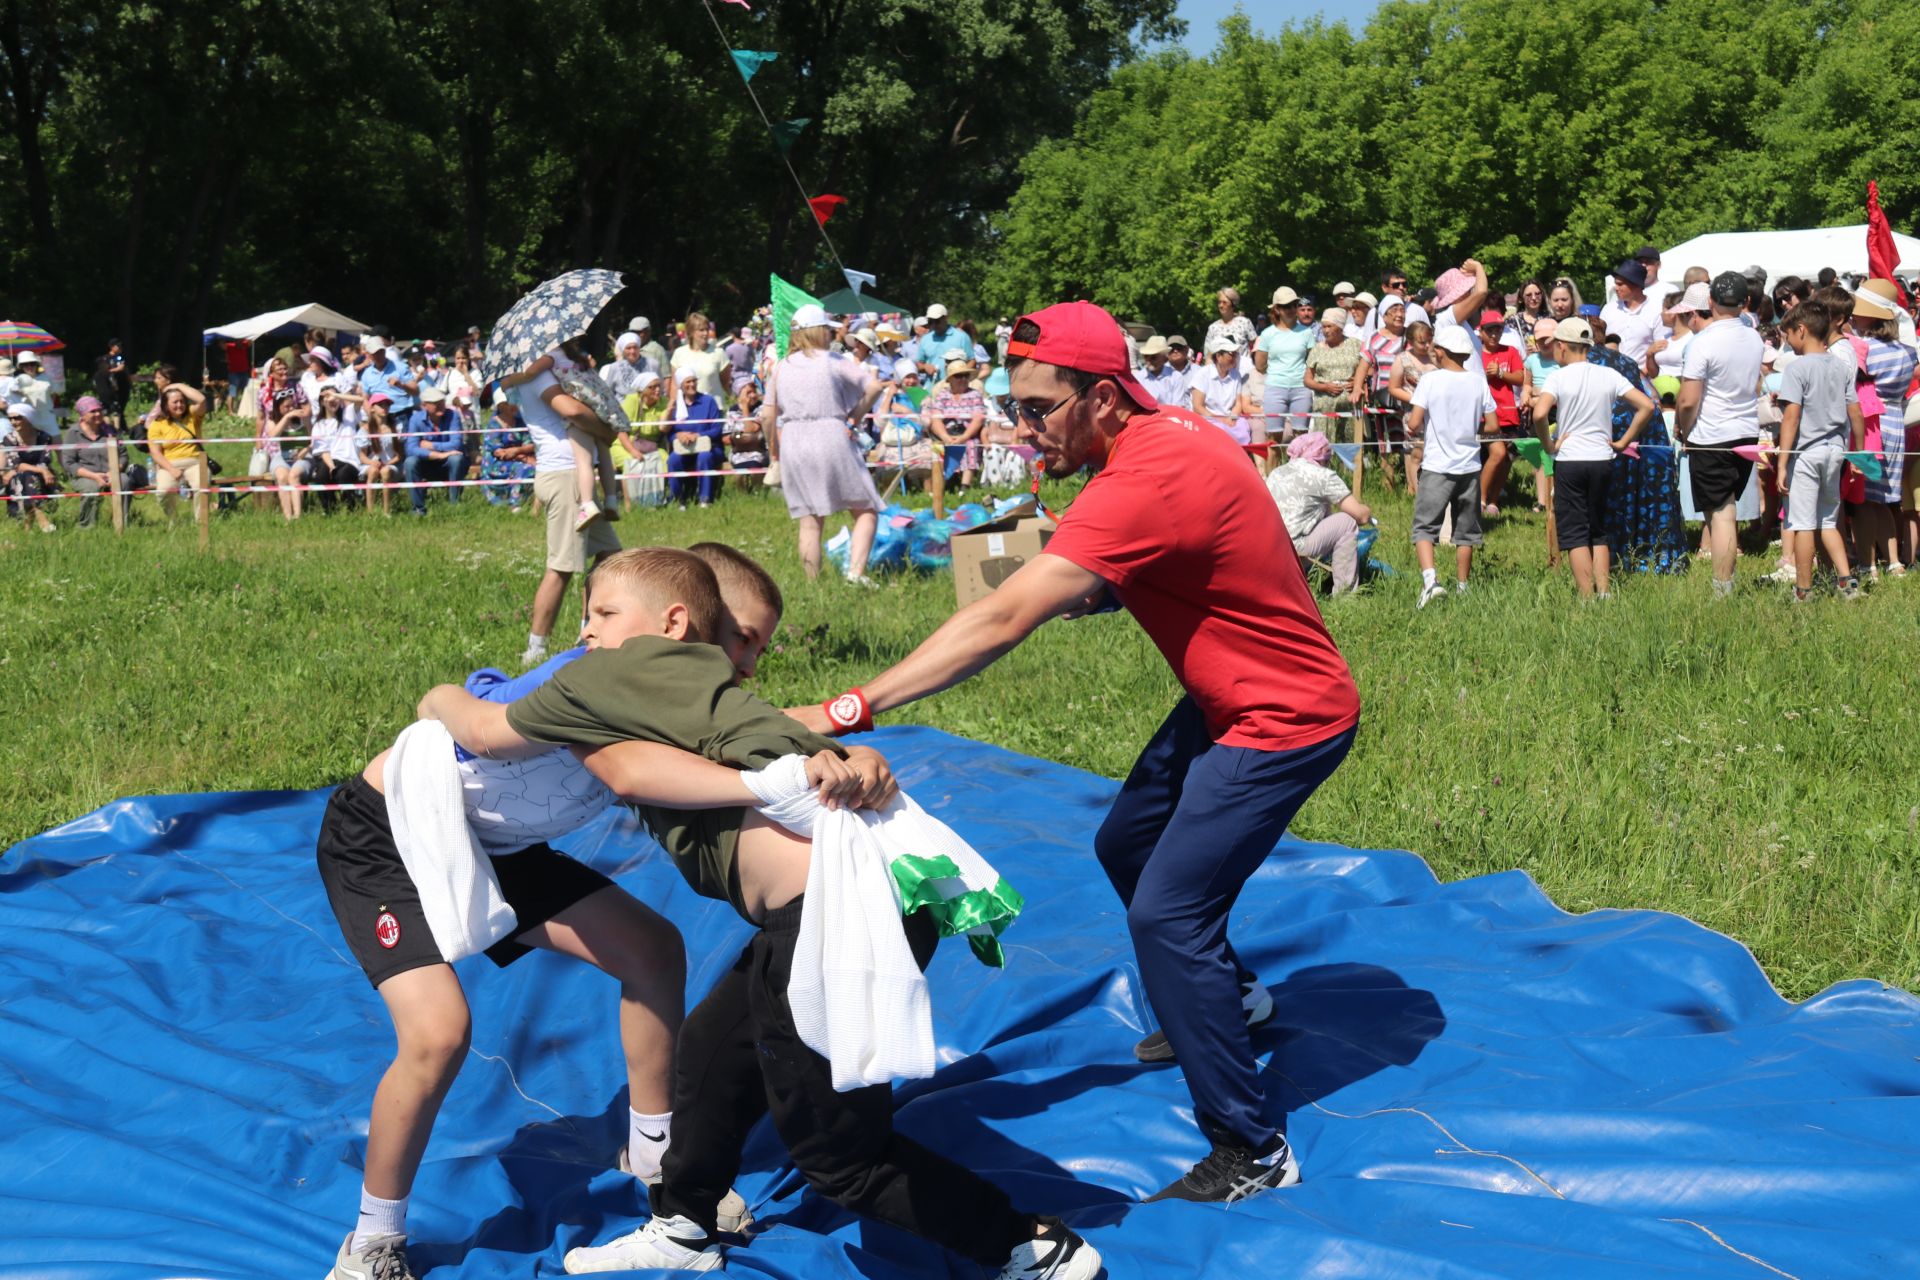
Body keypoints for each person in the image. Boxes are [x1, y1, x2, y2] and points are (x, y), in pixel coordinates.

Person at [785, 300, 1360, 1207]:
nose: (1018, 429)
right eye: (1013, 407)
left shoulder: (1149, 472)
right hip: (1228, 699)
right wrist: (1084, 581)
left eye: (1035, 409)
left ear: (1101, 397)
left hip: (1284, 720)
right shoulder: (1164, 437)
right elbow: (1174, 561)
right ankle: (1231, 1001)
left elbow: (1004, 616)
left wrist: (848, 704)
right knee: (1125, 844)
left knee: (1169, 917)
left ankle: (1252, 1149)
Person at [417, 551, 1095, 1280]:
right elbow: (764, 738)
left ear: (671, 622)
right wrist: (845, 749)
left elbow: (495, 735)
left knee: (841, 1157)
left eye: (602, 615)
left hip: (834, 914)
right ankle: (683, 1225)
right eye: (740, 638)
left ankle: (1029, 1247)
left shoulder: (607, 673)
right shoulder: (693, 685)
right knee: (711, 1050)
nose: (586, 632)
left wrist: (439, 696)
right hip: (868, 894)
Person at [317, 549, 765, 1280]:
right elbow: (488, 708)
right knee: (439, 1035)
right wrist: (445, 697)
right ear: (689, 625)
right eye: (742, 638)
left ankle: (657, 1159)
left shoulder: (688, 706)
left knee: (654, 950)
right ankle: (371, 1239)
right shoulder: (591, 677)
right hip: (391, 835)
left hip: (495, 844)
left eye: (760, 647)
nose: (749, 663)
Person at [761, 303, 887, 584]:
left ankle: (812, 584)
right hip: (832, 435)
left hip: (793, 441)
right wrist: (855, 415)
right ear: (819, 332)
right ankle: (855, 574)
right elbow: (875, 387)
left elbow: (768, 416)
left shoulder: (780, 368)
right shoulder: (833, 361)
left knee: (810, 520)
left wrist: (774, 451)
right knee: (866, 509)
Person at [1530, 318, 1657, 598]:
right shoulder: (1608, 374)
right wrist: (1624, 441)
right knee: (1598, 528)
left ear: (1562, 346)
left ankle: (1586, 596)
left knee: (1575, 532)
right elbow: (1647, 405)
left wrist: (1549, 444)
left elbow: (1539, 414)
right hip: (1602, 459)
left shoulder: (1557, 377)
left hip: (1570, 460)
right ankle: (1604, 592)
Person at [1675, 272, 1767, 595]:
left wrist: (1684, 430)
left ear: (1711, 302)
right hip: (1745, 434)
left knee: (1722, 515)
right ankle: (1724, 585)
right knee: (1726, 509)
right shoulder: (1754, 338)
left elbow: (1687, 399)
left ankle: (1723, 589)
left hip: (1711, 435)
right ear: (1746, 303)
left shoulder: (1704, 342)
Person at [1774, 303, 1865, 601]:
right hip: (1835, 453)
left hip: (1807, 454)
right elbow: (1855, 412)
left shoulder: (1796, 368)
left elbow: (1791, 417)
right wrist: (1858, 455)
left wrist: (1782, 461)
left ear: (1801, 330)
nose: (1788, 342)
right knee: (1828, 521)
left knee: (1802, 524)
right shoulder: (1839, 366)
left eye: (1788, 335)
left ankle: (1803, 590)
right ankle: (1846, 582)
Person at [1406, 327, 1499, 607]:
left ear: (1442, 352)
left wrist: (1415, 429)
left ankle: (1430, 582)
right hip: (1470, 466)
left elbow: (1413, 423)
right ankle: (1462, 586)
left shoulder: (1430, 380)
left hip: (1437, 466)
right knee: (1466, 532)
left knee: (1424, 528)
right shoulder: (1477, 382)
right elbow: (1493, 425)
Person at [1853, 282, 1915, 576]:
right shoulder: (1906, 351)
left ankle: (1869, 563)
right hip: (1895, 420)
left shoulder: (1866, 349)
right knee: (1888, 498)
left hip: (1870, 423)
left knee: (1866, 498)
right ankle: (1894, 562)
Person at [1266, 431, 1372, 595]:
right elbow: (1360, 516)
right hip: (1296, 550)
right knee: (1346, 522)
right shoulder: (1323, 475)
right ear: (1324, 457)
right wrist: (1367, 510)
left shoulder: (1276, 472)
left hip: (1270, 548)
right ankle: (1345, 594)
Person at [59, 395, 142, 528]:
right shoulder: (72, 433)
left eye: (99, 410)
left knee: (125, 481)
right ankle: (87, 527)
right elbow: (68, 463)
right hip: (85, 475)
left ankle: (122, 523)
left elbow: (123, 455)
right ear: (83, 415)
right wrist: (94, 476)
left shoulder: (111, 431)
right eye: (92, 411)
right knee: (91, 487)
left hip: (112, 472)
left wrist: (113, 472)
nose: (98, 414)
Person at [1358, 297, 1409, 489]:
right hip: (1383, 397)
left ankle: (1412, 486)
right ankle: (1389, 485)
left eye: (1402, 311)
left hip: (1407, 396)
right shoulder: (1374, 337)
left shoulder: (1409, 336)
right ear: (1384, 315)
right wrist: (1357, 388)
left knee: (1408, 439)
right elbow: (1364, 364)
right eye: (1394, 311)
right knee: (1386, 441)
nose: (1399, 315)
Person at [1478, 309, 1524, 516]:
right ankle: (1480, 499)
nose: (1495, 334)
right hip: (1485, 416)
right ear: (1481, 332)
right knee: (1497, 454)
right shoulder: (1475, 353)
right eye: (1490, 330)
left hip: (1508, 414)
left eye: (1498, 329)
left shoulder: (1511, 351)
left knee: (1505, 460)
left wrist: (1501, 373)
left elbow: (1520, 378)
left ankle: (1494, 501)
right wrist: (1486, 377)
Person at [1254, 287, 1313, 440]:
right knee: (1273, 438)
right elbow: (1260, 366)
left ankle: (1299, 465)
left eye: (1295, 304)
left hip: (1301, 388)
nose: (1292, 309)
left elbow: (1313, 362)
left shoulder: (1306, 332)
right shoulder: (1267, 334)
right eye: (1287, 306)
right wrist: (1278, 371)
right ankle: (1274, 465)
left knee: (1302, 437)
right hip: (1275, 388)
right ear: (1277, 309)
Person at [402, 387, 470, 515]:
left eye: (442, 402)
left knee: (457, 458)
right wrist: (438, 455)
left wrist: (430, 445)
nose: (440, 406)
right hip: (426, 463)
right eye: (435, 403)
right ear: (424, 405)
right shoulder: (415, 419)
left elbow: (456, 443)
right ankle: (418, 508)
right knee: (410, 462)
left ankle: (454, 505)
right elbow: (411, 448)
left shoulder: (453, 415)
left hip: (447, 463)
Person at [1387, 320, 1437, 490]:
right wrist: (1416, 399)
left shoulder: (1437, 357)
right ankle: (1415, 489)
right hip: (1413, 411)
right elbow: (1393, 388)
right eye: (1422, 342)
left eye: (1429, 340)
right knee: (1416, 451)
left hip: (1437, 412)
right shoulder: (1403, 359)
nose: (1427, 345)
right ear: (1411, 341)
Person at [925, 357, 988, 489]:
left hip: (968, 433)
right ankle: (944, 482)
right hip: (946, 433)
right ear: (951, 379)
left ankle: (965, 486)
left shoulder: (975, 394)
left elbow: (978, 418)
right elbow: (935, 418)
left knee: (971, 444)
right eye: (959, 376)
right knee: (938, 446)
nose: (963, 379)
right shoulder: (943, 395)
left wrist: (963, 437)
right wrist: (945, 437)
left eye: (966, 376)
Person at [665, 367, 723, 508]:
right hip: (684, 449)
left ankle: (705, 498)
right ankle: (678, 499)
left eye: (693, 381)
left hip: (708, 448)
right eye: (687, 382)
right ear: (681, 385)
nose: (691, 385)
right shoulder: (676, 406)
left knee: (704, 457)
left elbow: (717, 429)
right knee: (673, 459)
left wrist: (699, 435)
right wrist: (678, 435)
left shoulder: (708, 401)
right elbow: (669, 432)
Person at [1304, 306, 1363, 441]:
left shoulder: (1355, 345)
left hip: (1350, 404)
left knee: (1349, 442)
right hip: (1325, 405)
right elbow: (1307, 379)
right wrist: (1324, 387)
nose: (1326, 331)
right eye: (1324, 327)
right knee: (1324, 443)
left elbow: (1368, 369)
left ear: (1340, 327)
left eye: (1330, 326)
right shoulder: (1317, 349)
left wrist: (1357, 382)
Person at [1601, 258, 1664, 371]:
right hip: (1610, 376)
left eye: (1620, 284)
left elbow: (1660, 349)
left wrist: (1641, 376)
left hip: (1642, 379)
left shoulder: (1656, 311)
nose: (1616, 288)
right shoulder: (1609, 309)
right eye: (1616, 284)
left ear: (1635, 284)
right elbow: (1599, 343)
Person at [2, 403, 57, 532]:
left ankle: (27, 529)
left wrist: (42, 470)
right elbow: (17, 464)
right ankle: (43, 520)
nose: (13, 422)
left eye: (18, 418)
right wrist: (42, 470)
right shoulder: (9, 439)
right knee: (28, 478)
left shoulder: (44, 437)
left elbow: (45, 460)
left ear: (28, 418)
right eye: (10, 419)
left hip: (41, 477)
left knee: (30, 478)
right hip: (20, 477)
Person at [481, 391, 537, 511]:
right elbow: (500, 453)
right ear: (500, 406)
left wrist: (517, 450)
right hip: (497, 464)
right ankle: (514, 504)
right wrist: (523, 456)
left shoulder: (520, 422)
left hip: (520, 458)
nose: (513, 406)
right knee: (524, 468)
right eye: (508, 403)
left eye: (514, 402)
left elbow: (530, 444)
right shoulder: (493, 425)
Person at [1191, 335, 1253, 442]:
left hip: (1229, 418)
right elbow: (1197, 406)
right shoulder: (1202, 374)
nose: (1235, 357)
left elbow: (1238, 403)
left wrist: (1232, 417)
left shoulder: (1236, 375)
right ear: (1219, 356)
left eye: (1236, 354)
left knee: (1244, 426)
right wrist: (1219, 419)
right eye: (1231, 354)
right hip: (1208, 419)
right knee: (1221, 431)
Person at [669, 312, 731, 405]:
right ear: (691, 332)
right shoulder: (679, 353)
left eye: (707, 329)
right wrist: (673, 407)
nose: (706, 333)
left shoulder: (719, 353)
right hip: (687, 409)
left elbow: (725, 383)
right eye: (701, 330)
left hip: (713, 408)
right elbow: (674, 385)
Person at [359, 339, 420, 425]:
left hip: (402, 416)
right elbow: (365, 399)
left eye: (381, 351)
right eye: (375, 353)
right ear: (369, 355)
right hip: (380, 419)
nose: (379, 355)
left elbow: (416, 391)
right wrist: (371, 417)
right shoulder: (366, 374)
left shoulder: (400, 367)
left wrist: (401, 385)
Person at [913, 304, 975, 383]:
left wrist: (960, 375)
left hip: (957, 388)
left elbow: (971, 361)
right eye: (931, 322)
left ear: (946, 318)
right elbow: (919, 364)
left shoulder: (961, 337)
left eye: (937, 321)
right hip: (932, 388)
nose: (934, 325)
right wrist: (925, 367)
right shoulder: (925, 339)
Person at [363, 396, 402, 515]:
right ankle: (370, 512)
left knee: (385, 471)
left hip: (389, 463)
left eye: (387, 405)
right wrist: (371, 463)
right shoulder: (365, 429)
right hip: (370, 463)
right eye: (381, 405)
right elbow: (362, 456)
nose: (385, 408)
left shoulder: (395, 428)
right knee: (373, 471)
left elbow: (399, 454)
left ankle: (386, 511)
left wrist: (389, 463)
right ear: (372, 408)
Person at [9, 351, 57, 439]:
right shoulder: (18, 380)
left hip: (47, 416)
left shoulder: (46, 378)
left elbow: (53, 395)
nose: (29, 367)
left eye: (32, 364)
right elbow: (12, 393)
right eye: (26, 364)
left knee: (57, 443)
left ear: (36, 364)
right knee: (34, 446)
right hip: (29, 418)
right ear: (21, 366)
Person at [1204, 287, 1258, 361]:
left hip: (1243, 370)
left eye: (1224, 302)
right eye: (1219, 302)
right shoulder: (1213, 327)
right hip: (1220, 371)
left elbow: (1256, 346)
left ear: (1233, 304)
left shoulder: (1244, 322)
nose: (1221, 305)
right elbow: (1208, 355)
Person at [1137, 335, 1188, 407]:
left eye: (1153, 357)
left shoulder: (1175, 377)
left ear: (1165, 358)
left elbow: (1178, 407)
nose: (1148, 361)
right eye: (1146, 357)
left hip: (1169, 416)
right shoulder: (1138, 378)